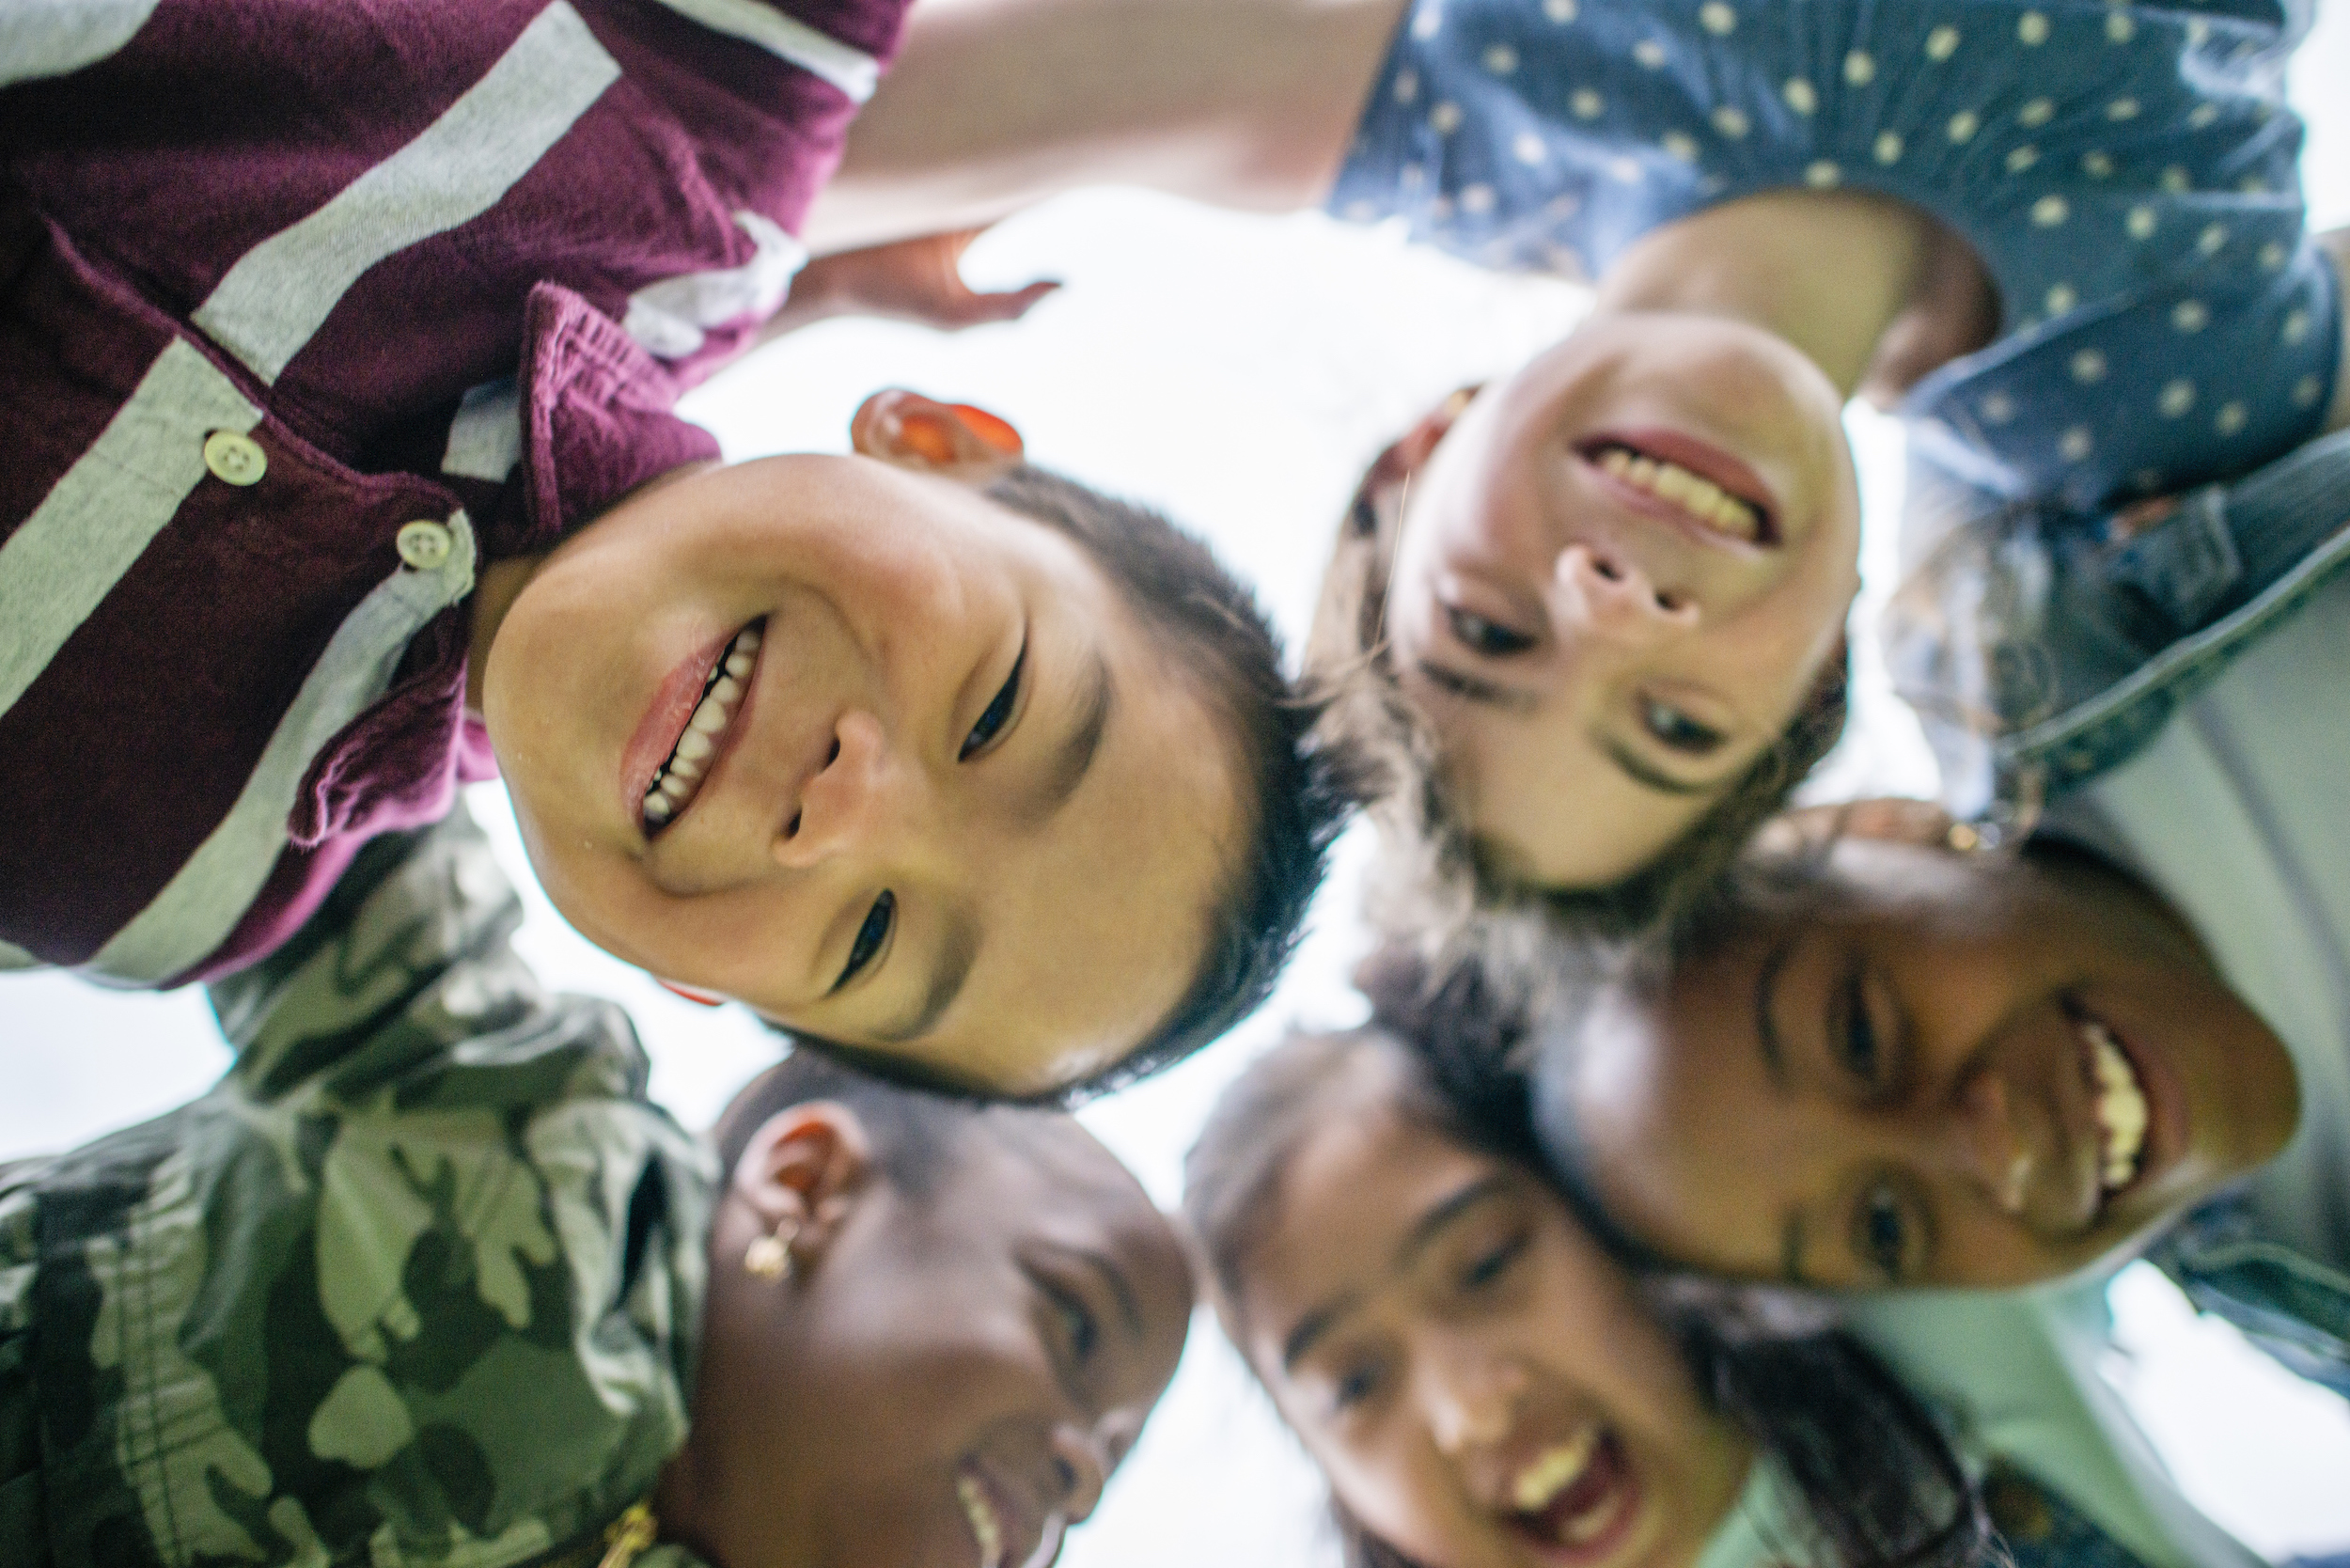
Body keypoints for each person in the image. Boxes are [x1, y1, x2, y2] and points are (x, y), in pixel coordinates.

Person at [0, 0, 1355, 1100]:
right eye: (996, 708)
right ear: (932, 445)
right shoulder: (725, 87)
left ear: (696, 988)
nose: (843, 811)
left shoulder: (177, 890)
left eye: (874, 936)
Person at [802, 0, 2349, 934]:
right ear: (1820, 666)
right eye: (1673, 723)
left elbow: (726, 152)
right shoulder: (2164, 390)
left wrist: (789, 279)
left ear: (1421, 451)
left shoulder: (1437, 86)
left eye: (1487, 634)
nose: (1614, 609)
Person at [0, 804, 1193, 1567]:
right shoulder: (510, 1113)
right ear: (807, 1186)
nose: (1081, 1476)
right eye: (1075, 1322)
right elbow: (325, 745)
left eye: (1111, 1457)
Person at [1524, 510, 2350, 1386]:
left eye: (1860, 1036)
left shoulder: (2121, 583)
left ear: (1874, 831)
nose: (1997, 1149)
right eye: (1884, 1225)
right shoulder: (2300, 1290)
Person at [1183, 1004, 2262, 1568]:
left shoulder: (1915, 1314)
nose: (1470, 1408)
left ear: (1610, 1221)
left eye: (1484, 1266)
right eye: (1353, 1386)